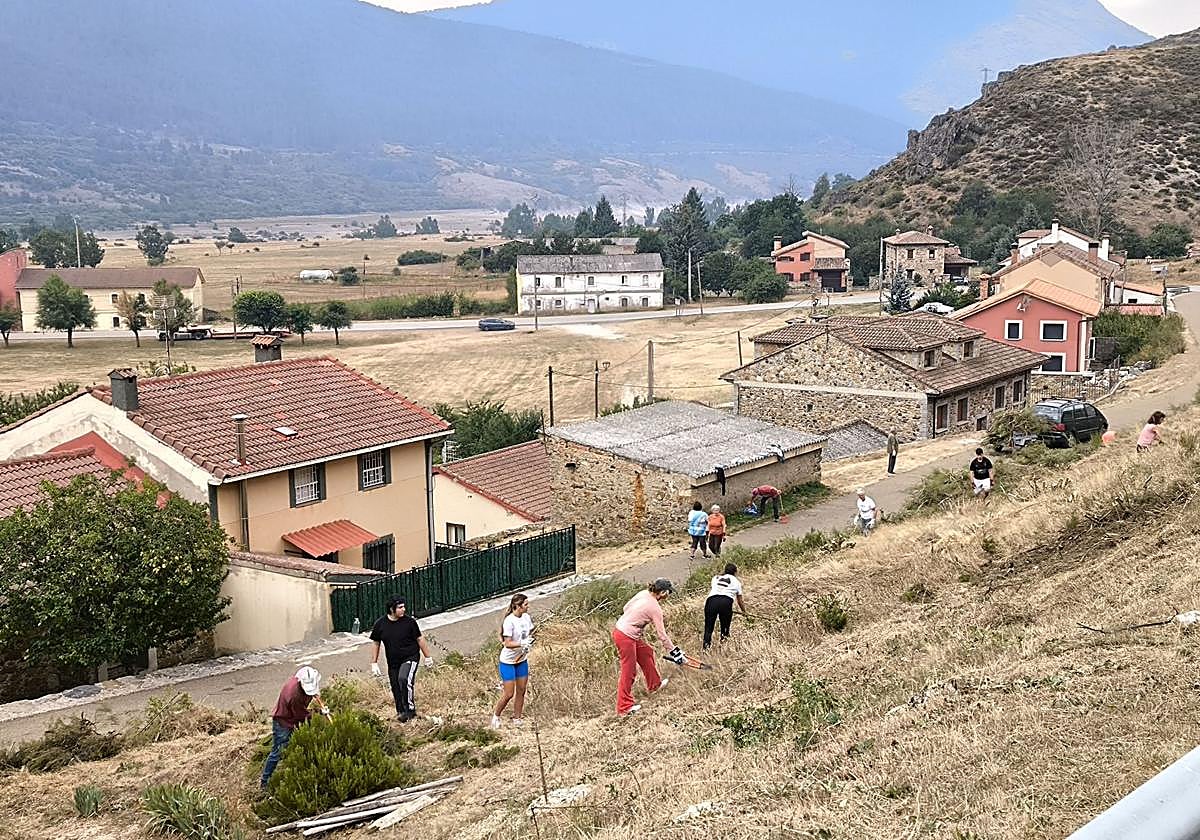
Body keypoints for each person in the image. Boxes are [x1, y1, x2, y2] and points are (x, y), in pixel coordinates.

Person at [612, 579, 680, 716]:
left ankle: (654, 685)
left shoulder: (643, 593)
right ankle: (623, 707)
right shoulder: (655, 608)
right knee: (629, 671)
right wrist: (674, 651)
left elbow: (625, 607)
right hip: (626, 636)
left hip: (621, 629)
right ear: (662, 592)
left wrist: (634, 620)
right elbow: (662, 635)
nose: (669, 595)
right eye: (669, 592)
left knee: (646, 652)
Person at [261, 666, 330, 788]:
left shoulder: (302, 679)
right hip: (283, 722)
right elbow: (302, 715)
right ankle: (265, 782)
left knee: (296, 745)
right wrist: (319, 712)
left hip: (291, 718)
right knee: (277, 752)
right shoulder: (294, 696)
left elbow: (310, 694)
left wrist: (315, 695)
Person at [369, 596, 435, 722]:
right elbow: (376, 642)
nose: (403, 609)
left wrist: (428, 657)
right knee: (395, 686)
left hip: (410, 657)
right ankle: (401, 713)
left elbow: (419, 638)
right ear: (391, 609)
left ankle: (410, 710)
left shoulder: (409, 622)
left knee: (404, 679)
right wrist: (374, 663)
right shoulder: (380, 624)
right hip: (393, 662)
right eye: (400, 607)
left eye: (404, 606)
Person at [492, 594, 533, 729]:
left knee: (521, 690)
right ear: (518, 606)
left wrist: (529, 642)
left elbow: (529, 633)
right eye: (525, 604)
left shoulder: (526, 618)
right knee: (509, 693)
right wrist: (521, 643)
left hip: (521, 659)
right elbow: (507, 643)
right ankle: (496, 716)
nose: (528, 606)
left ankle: (517, 718)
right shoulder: (509, 621)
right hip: (508, 661)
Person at [703, 563, 746, 649]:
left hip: (711, 601)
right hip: (726, 602)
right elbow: (740, 601)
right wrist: (744, 612)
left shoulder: (715, 578)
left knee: (708, 627)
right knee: (725, 627)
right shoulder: (737, 582)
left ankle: (706, 648)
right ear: (735, 572)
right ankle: (724, 646)